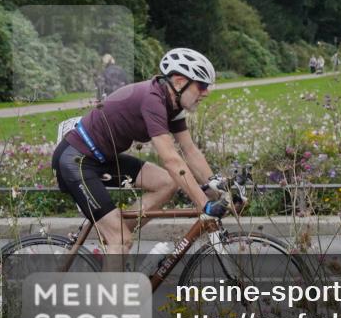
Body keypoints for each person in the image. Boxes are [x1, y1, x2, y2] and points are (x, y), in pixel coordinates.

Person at [52, 48, 227, 265]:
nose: (206, 92)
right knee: (121, 240)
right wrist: (204, 204)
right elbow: (172, 159)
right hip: (76, 160)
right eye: (202, 85)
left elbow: (190, 150)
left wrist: (217, 184)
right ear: (180, 82)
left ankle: (115, 239)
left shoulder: (172, 104)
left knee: (166, 183)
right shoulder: (152, 100)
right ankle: (115, 254)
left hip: (102, 158)